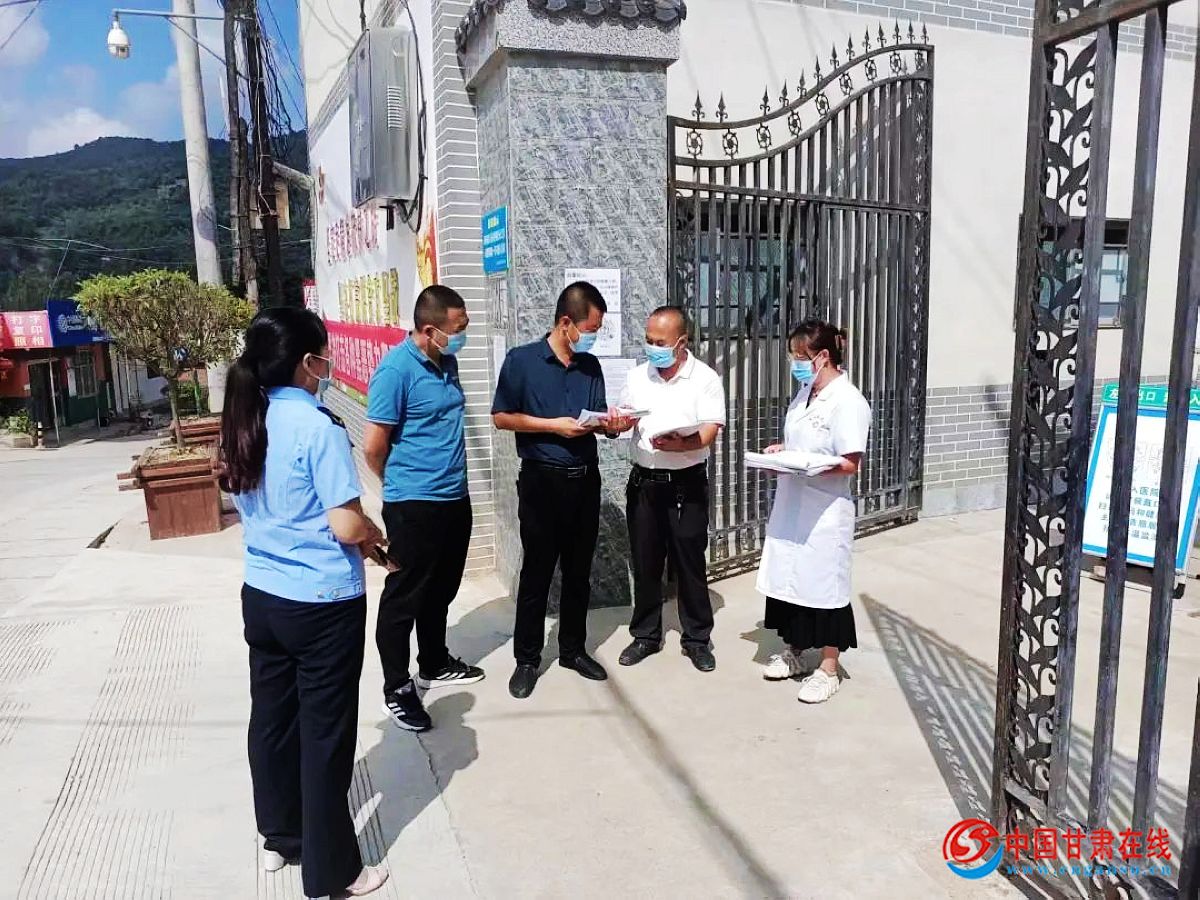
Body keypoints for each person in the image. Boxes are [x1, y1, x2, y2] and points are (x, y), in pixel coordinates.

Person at [220, 307, 387, 899]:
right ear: (306, 362)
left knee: (272, 721)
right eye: (324, 356)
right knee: (324, 737)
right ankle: (334, 870)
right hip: (320, 604)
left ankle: (281, 837)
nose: (329, 365)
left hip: (263, 596)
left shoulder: (246, 415)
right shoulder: (318, 426)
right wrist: (372, 534)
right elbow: (345, 524)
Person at [492, 281, 634, 699]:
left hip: (584, 481)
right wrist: (553, 426)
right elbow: (501, 417)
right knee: (537, 573)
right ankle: (527, 659)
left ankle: (573, 650)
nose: (593, 337)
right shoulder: (522, 361)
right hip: (542, 481)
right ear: (566, 322)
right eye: (591, 328)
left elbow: (598, 419)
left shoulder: (590, 366)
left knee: (578, 573)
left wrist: (612, 426)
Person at [364, 285, 484, 734]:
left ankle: (433, 660)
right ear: (430, 330)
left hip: (454, 498)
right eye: (458, 328)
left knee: (441, 588)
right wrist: (399, 488)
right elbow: (374, 447)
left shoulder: (446, 362)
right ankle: (397, 687)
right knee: (404, 597)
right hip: (414, 504)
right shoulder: (395, 371)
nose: (462, 335)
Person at [756, 318, 872, 704]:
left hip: (824, 511)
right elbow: (800, 441)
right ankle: (796, 651)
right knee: (791, 583)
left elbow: (850, 462)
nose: (795, 364)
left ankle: (829, 668)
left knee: (824, 589)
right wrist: (782, 453)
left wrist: (809, 465)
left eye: (799, 356)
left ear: (822, 356)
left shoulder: (849, 401)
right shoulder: (805, 394)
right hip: (792, 505)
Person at [617, 306, 726, 672]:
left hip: (686, 484)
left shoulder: (705, 378)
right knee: (646, 562)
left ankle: (697, 639)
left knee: (689, 562)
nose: (652, 348)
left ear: (681, 342)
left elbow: (709, 431)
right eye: (648, 340)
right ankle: (645, 635)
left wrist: (680, 444)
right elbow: (625, 419)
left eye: (660, 342)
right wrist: (616, 423)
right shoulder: (637, 376)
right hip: (645, 484)